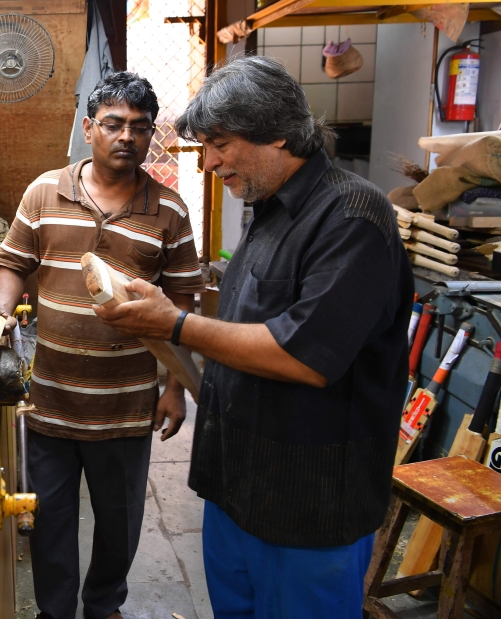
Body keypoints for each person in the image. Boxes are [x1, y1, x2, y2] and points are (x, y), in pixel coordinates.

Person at [93, 55, 412, 618]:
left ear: (279, 134)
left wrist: (173, 323)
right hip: (237, 488)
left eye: (221, 144)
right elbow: (243, 328)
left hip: (307, 507)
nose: (210, 162)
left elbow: (304, 356)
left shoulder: (353, 217)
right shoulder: (267, 208)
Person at [0, 71, 204, 619]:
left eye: (140, 127)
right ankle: (55, 612)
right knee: (52, 518)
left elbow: (183, 307)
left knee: (120, 520)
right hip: (52, 399)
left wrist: (175, 389)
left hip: (127, 405)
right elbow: (12, 263)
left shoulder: (168, 211)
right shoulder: (43, 192)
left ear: (153, 136)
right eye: (114, 124)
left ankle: (104, 605)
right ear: (88, 128)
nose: (127, 136)